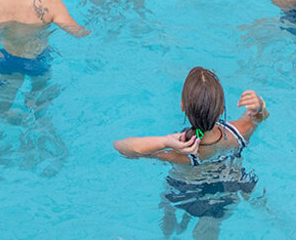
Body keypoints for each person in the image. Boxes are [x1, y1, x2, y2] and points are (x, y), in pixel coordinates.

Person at [113, 68, 268, 230]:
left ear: (183, 107)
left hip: (189, 195)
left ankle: (169, 216)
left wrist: (164, 141)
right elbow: (259, 116)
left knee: (167, 198)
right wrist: (260, 107)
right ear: (222, 110)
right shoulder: (239, 133)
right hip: (229, 189)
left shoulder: (181, 153)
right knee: (213, 221)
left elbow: (122, 147)